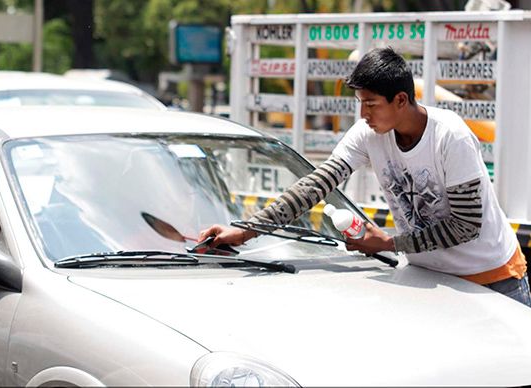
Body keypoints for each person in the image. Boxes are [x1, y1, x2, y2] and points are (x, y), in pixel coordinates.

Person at [199, 47, 530, 307]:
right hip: (428, 278)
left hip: (492, 280)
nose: (363, 114)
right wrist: (244, 231)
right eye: (361, 103)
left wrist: (389, 243)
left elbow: (466, 225)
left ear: (401, 100)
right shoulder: (368, 133)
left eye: (371, 104)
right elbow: (316, 185)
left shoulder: (450, 137)